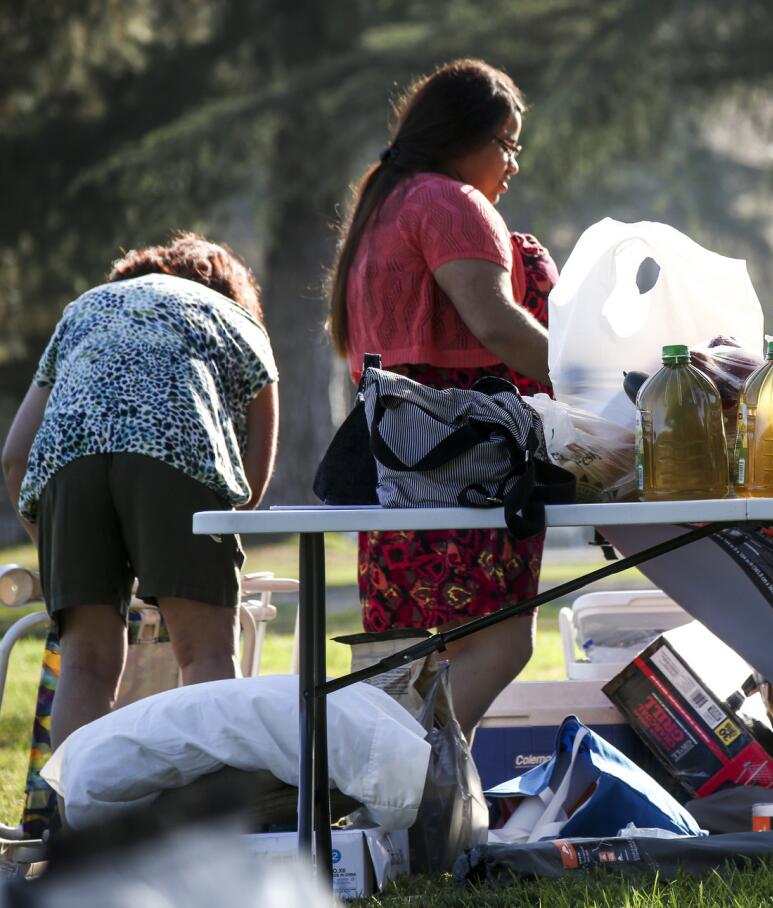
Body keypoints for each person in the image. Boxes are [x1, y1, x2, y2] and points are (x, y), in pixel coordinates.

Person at [328, 58, 553, 737]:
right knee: (503, 640)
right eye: (506, 142)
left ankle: (414, 808)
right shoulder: (452, 203)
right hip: (463, 451)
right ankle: (414, 777)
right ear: (465, 136)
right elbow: (493, 322)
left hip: (395, 457)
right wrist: (588, 381)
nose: (513, 163)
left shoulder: (384, 202)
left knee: (423, 651)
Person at [1, 233, 279, 749]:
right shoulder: (236, 319)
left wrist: (57, 554)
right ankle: (211, 816)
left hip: (68, 461)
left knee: (85, 667)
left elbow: (15, 458)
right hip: (175, 453)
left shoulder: (87, 307)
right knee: (206, 657)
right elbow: (250, 489)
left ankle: (75, 820)